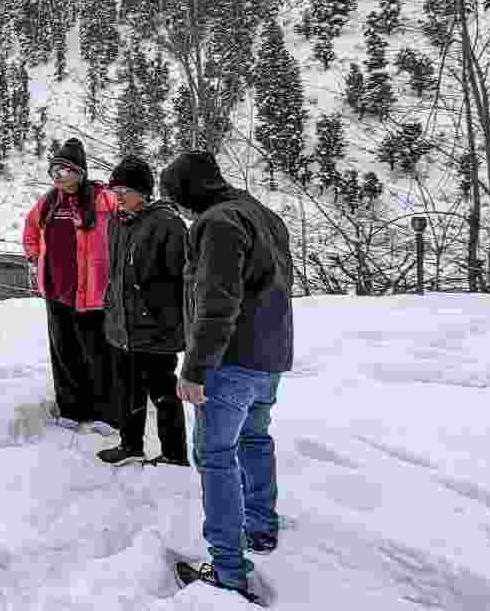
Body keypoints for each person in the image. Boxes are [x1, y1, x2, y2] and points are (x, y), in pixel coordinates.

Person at [160, 150, 295, 604]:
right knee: (255, 439)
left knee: (215, 456)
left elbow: (217, 302)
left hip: (230, 361)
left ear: (188, 195)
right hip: (269, 357)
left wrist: (195, 368)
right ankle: (261, 527)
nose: (178, 210)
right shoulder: (264, 215)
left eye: (176, 200)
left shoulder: (217, 223)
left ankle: (228, 568)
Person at [97, 155, 189, 467]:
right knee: (127, 390)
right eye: (115, 190)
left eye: (125, 190)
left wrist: (173, 321)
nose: (118, 196)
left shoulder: (168, 224)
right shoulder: (116, 223)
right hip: (122, 324)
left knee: (163, 393)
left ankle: (174, 454)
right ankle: (130, 445)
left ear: (144, 192)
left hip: (156, 327)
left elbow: (183, 279)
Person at [23, 137, 118, 430]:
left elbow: (126, 223)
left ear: (80, 172)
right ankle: (72, 409)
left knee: (98, 352)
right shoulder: (49, 201)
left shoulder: (104, 199)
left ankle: (107, 412)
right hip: (56, 289)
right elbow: (30, 228)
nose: (59, 178)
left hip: (94, 290)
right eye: (54, 171)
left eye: (65, 171)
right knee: (64, 351)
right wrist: (33, 255)